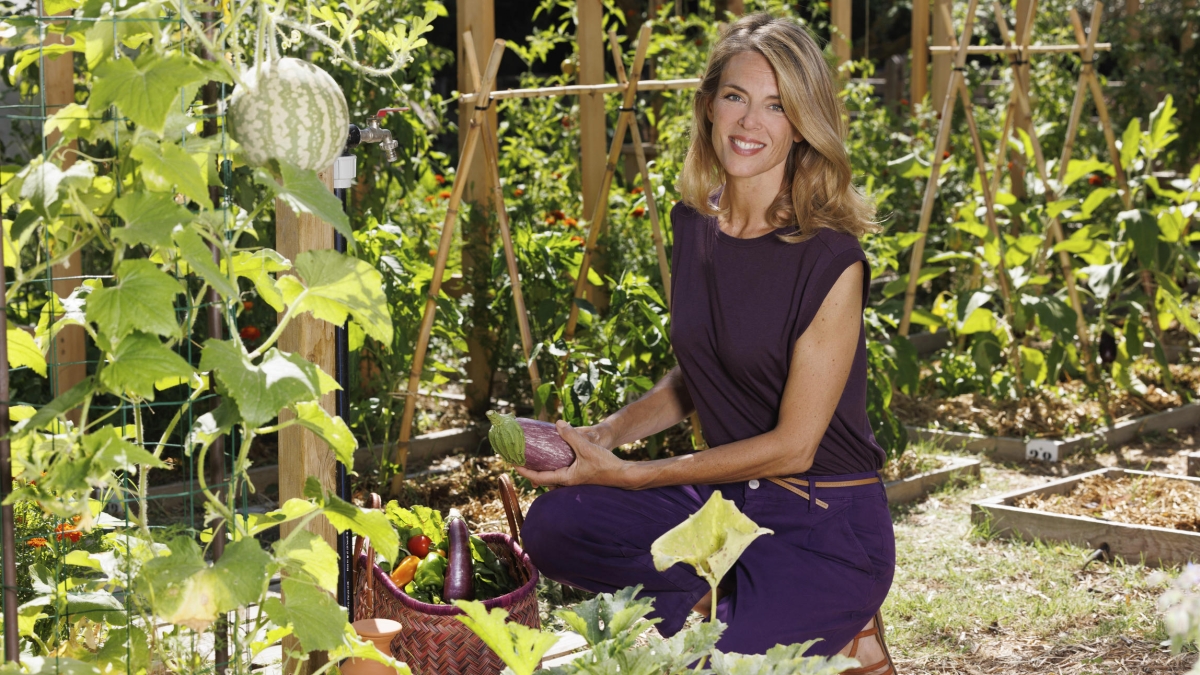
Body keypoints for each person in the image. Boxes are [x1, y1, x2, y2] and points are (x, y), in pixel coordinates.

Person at [518, 12, 895, 674]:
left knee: (707, 670)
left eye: (776, 105)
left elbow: (794, 445)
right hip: (735, 511)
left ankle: (821, 615)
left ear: (803, 122)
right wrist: (605, 436)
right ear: (709, 107)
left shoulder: (832, 261)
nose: (751, 123)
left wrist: (635, 474)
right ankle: (740, 601)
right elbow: (700, 374)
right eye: (736, 97)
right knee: (557, 524)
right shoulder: (697, 222)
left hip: (825, 526)